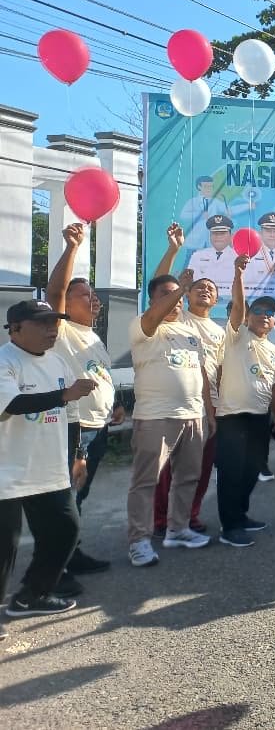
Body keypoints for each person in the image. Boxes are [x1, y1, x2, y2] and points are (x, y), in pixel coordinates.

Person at [1, 301, 96, 633]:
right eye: (42, 323)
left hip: (49, 470)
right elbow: (12, 404)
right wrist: (63, 395)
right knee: (4, 546)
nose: (51, 329)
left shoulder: (57, 361)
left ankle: (31, 596)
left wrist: (79, 453)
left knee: (65, 530)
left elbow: (71, 415)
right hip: (7, 472)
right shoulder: (5, 361)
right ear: (15, 328)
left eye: (54, 323)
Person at [126, 270, 215, 567]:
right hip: (155, 417)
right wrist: (181, 288)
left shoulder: (191, 332)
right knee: (146, 481)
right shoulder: (144, 326)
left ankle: (178, 529)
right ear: (151, 301)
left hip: (193, 416)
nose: (175, 300)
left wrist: (208, 413)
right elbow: (155, 315)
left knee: (188, 477)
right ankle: (138, 541)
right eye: (166, 294)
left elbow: (201, 375)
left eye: (178, 294)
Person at [44, 223, 113, 580]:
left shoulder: (92, 336)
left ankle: (72, 554)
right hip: (76, 431)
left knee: (78, 498)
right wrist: (72, 247)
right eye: (84, 294)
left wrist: (114, 406)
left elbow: (99, 376)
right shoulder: (61, 330)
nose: (93, 298)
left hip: (97, 429)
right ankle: (53, 570)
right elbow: (55, 290)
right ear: (66, 306)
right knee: (65, 500)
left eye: (94, 294)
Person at [152, 223, 226, 537]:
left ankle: (189, 515)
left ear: (216, 298)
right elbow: (159, 286)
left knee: (199, 469)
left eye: (211, 288)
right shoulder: (177, 316)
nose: (205, 290)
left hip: (208, 407)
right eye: (199, 286)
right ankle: (160, 520)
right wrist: (173, 249)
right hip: (174, 405)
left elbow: (218, 372)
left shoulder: (220, 332)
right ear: (186, 293)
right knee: (166, 468)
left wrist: (216, 410)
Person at [214, 256, 275, 547]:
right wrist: (238, 273)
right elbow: (239, 306)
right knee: (231, 473)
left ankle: (240, 516)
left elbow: (274, 385)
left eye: (270, 313)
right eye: (258, 311)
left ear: (274, 322)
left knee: (252, 470)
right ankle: (229, 527)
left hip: (259, 417)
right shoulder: (237, 336)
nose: (264, 315)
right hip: (232, 416)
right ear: (247, 316)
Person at [188, 215, 238, 289]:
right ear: (210, 236)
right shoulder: (198, 256)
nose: (218, 237)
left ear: (231, 236)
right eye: (215, 233)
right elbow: (190, 282)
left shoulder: (237, 257)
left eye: (222, 233)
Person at [179, 176, 228, 250]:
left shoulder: (215, 202)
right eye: (206, 186)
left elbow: (230, 210)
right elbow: (183, 215)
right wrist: (199, 215)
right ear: (199, 187)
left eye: (211, 187)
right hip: (195, 243)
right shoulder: (193, 202)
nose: (209, 189)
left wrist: (246, 206)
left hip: (210, 243)